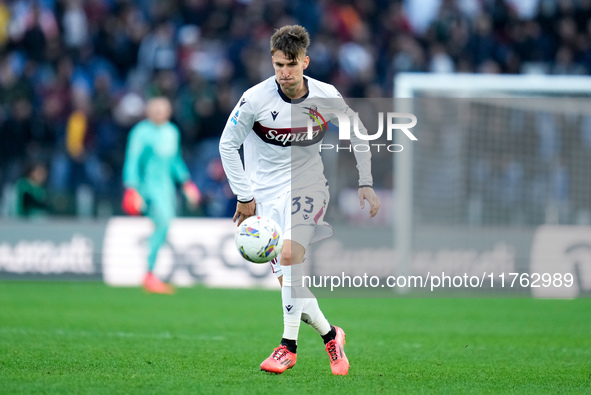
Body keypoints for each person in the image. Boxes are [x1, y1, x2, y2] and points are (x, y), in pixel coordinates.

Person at [219, 25, 380, 375]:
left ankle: (287, 348)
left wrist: (365, 181)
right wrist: (245, 196)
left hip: (308, 187)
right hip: (263, 198)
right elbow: (227, 145)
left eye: (291, 64)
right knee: (292, 286)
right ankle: (330, 335)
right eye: (278, 65)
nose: (285, 73)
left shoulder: (326, 95)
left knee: (291, 257)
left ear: (305, 62)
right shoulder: (255, 99)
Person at [122, 97, 201, 294]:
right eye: (155, 109)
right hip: (147, 188)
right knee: (163, 222)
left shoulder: (172, 132)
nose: (159, 112)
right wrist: (132, 189)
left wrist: (186, 183)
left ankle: (150, 272)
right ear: (148, 111)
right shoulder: (141, 132)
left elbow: (175, 160)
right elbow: (133, 160)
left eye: (163, 109)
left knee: (164, 224)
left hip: (166, 189)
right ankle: (149, 273)